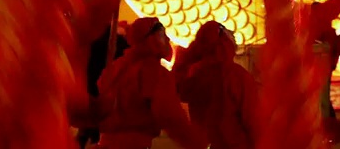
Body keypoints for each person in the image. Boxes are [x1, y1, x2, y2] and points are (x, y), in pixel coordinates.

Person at [95, 17, 206, 149]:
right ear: (153, 39)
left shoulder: (116, 67)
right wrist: (196, 142)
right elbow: (170, 116)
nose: (168, 40)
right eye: (164, 35)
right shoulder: (153, 72)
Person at [175, 21, 259, 149]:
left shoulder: (194, 74)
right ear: (221, 39)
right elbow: (253, 121)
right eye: (225, 29)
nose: (233, 34)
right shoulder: (235, 75)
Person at [76, 25, 130, 148]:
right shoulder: (113, 40)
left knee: (89, 125)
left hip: (91, 83)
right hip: (102, 85)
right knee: (96, 125)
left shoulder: (91, 39)